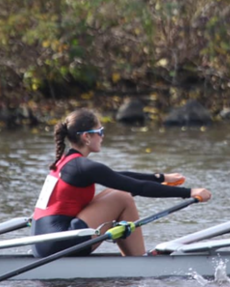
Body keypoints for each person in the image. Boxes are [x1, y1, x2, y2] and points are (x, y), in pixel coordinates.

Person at [31, 108, 212, 257]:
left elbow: (118, 176)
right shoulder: (83, 167)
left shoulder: (65, 163)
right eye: (100, 132)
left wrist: (161, 178)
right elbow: (136, 187)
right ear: (87, 137)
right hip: (58, 245)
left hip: (40, 244)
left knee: (115, 192)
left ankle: (135, 259)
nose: (102, 136)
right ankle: (138, 261)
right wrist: (189, 193)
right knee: (121, 197)